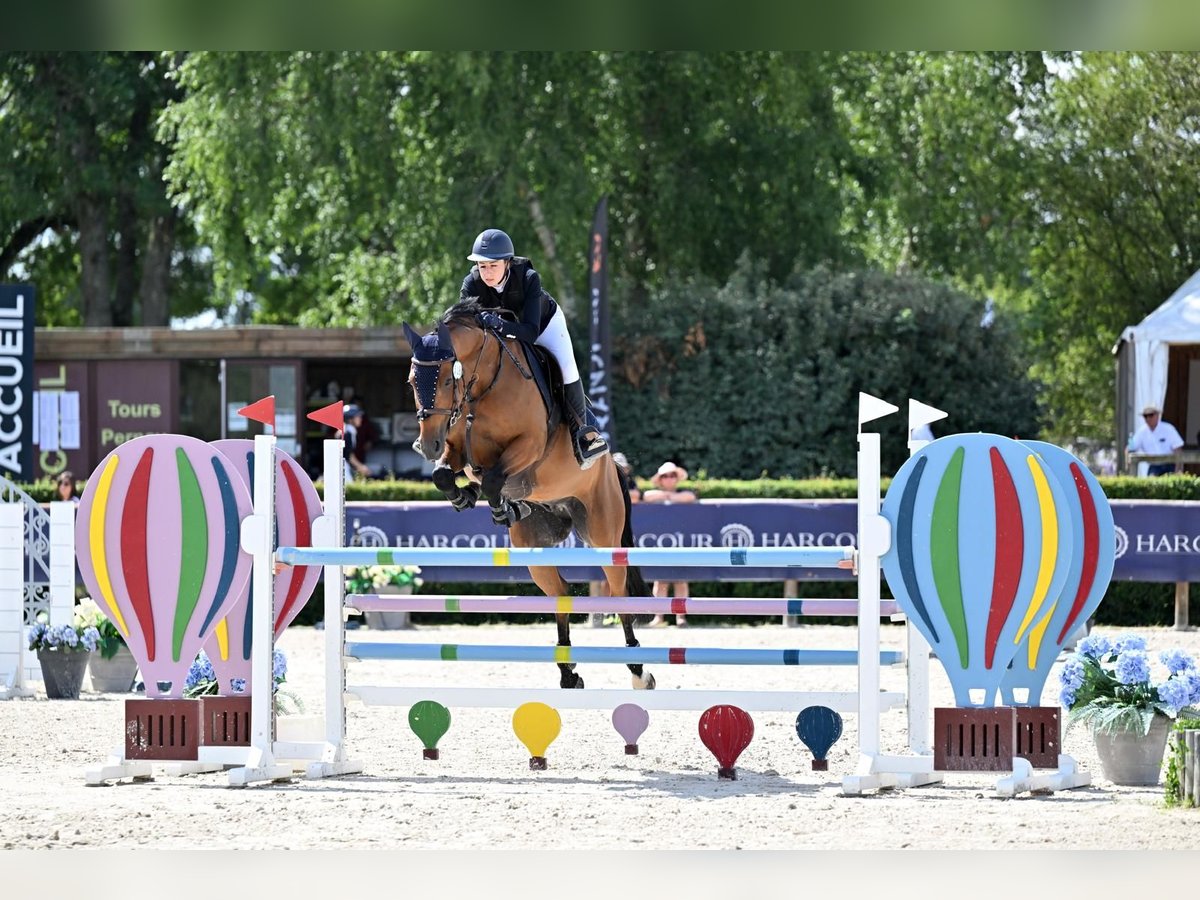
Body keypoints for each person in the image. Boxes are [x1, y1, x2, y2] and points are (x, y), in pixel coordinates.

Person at [460, 228, 609, 470]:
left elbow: (530, 332)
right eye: (482, 266)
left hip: (544, 326)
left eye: (493, 265)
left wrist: (498, 323)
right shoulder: (471, 284)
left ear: (507, 263)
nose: (487, 272)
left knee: (566, 368)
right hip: (502, 335)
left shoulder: (529, 278)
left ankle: (584, 435)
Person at [642, 461, 696, 627]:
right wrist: (669, 497)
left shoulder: (684, 493)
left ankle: (681, 618)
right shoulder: (654, 495)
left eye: (673, 475)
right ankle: (659, 617)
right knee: (660, 581)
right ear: (660, 480)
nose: (670, 479)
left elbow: (690, 497)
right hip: (660, 543)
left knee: (681, 581)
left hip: (680, 542)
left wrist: (668, 497)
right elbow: (646, 496)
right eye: (665, 476)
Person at [1129, 404, 1183, 476]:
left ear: (1157, 416)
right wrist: (1129, 443)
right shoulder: (1141, 431)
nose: (1148, 418)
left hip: (1169, 465)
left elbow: (1178, 449)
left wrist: (1178, 469)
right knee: (1151, 482)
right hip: (1154, 466)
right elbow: (1131, 447)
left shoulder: (1169, 429)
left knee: (1171, 482)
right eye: (1145, 416)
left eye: (1151, 415)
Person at [343, 404, 372, 482]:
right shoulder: (347, 433)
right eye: (358, 416)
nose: (360, 419)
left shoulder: (349, 430)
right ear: (350, 419)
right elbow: (348, 455)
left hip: (344, 465)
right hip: (341, 466)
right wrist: (361, 467)